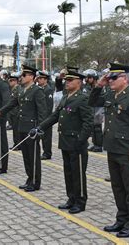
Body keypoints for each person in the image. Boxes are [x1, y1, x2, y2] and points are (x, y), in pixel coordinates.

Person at [88, 63, 129, 238]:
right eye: (109, 78)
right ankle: (121, 219)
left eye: (113, 78)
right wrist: (99, 85)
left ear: (124, 78)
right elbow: (92, 102)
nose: (109, 80)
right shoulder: (110, 94)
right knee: (118, 187)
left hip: (128, 150)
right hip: (113, 148)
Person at [33, 69, 93, 213]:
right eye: (66, 80)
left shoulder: (83, 98)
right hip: (65, 140)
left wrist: (81, 140)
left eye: (70, 80)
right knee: (68, 171)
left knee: (78, 172)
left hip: (76, 142)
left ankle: (80, 201)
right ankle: (71, 198)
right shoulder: (66, 97)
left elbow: (88, 122)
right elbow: (55, 116)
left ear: (79, 82)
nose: (67, 82)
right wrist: (40, 127)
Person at [0, 64, 47, 190]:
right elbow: (12, 103)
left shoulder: (37, 91)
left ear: (31, 76)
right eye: (21, 75)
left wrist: (40, 129)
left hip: (32, 128)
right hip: (22, 127)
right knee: (26, 156)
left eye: (24, 75)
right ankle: (29, 178)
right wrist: (0, 111)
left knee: (33, 156)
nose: (21, 77)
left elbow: (42, 112)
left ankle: (35, 182)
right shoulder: (21, 90)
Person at [83, 69, 104, 153]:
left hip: (98, 108)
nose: (87, 79)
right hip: (92, 108)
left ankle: (99, 145)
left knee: (97, 127)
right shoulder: (89, 87)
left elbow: (101, 98)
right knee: (93, 127)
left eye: (89, 78)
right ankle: (95, 144)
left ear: (93, 78)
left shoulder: (99, 87)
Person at [37, 70, 54, 160]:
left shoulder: (48, 89)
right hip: (41, 117)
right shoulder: (40, 89)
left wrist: (45, 118)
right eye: (38, 78)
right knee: (42, 136)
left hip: (47, 117)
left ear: (45, 79)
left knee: (47, 137)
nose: (39, 80)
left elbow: (49, 106)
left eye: (41, 78)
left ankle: (47, 153)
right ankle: (44, 152)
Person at [7, 72, 22, 150]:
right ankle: (16, 143)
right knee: (14, 129)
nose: (10, 82)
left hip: (16, 113)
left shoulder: (18, 89)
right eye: (9, 80)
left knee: (16, 130)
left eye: (11, 80)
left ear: (16, 81)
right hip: (12, 113)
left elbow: (19, 102)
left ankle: (18, 144)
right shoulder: (13, 89)